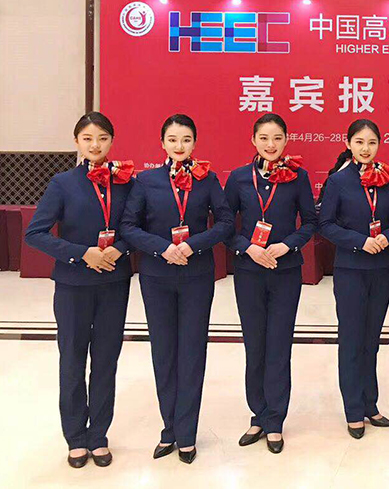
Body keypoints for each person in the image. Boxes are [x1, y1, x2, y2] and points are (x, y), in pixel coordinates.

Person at [120, 114, 234, 464]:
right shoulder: (146, 181)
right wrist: (162, 248)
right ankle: (169, 428)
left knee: (192, 352)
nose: (179, 145)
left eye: (185, 139)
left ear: (194, 143)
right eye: (172, 139)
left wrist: (193, 245)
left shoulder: (207, 179)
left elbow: (226, 222)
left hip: (197, 275)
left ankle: (187, 434)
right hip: (157, 276)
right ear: (162, 143)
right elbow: (128, 226)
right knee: (164, 351)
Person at [24, 112, 134, 469]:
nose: (95, 145)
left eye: (102, 138)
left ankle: (98, 435)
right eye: (87, 138)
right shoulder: (62, 183)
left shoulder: (126, 182)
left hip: (113, 283)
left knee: (106, 360)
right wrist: (81, 254)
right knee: (72, 359)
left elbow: (137, 228)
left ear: (112, 141)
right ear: (76, 142)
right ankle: (75, 437)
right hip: (73, 286)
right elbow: (35, 233)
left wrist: (121, 249)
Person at [223, 113, 317, 454]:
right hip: (249, 271)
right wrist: (247, 247)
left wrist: (288, 244)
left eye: (277, 137)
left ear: (286, 140)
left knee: (278, 343)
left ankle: (275, 419)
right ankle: (258, 415)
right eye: (264, 137)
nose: (271, 144)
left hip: (285, 270)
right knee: (255, 343)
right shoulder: (238, 178)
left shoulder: (298, 177)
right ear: (253, 140)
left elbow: (310, 222)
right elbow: (224, 225)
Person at [319, 119, 389, 439]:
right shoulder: (338, 181)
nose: (366, 149)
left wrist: (388, 237)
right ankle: (353, 409)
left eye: (372, 143)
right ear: (348, 143)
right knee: (352, 340)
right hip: (351, 269)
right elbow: (325, 224)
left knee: (372, 340)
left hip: (381, 268)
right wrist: (359, 241)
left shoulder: (388, 178)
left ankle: (370, 404)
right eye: (360, 142)